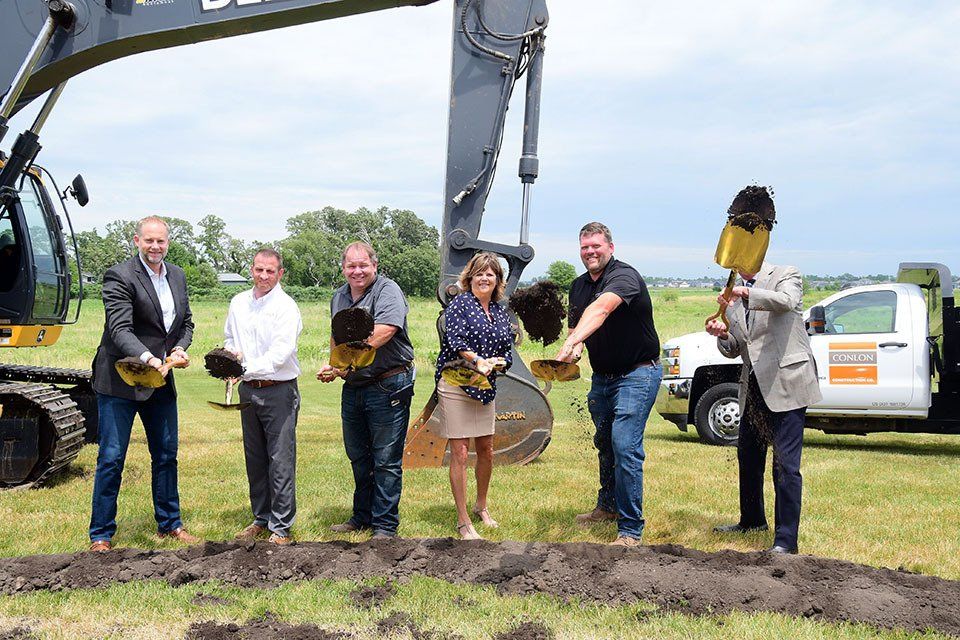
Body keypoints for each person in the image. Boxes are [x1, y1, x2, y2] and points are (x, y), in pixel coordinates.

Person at [88, 216, 196, 552]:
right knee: (111, 457)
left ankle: (170, 524)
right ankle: (101, 534)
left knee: (166, 454)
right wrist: (150, 359)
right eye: (149, 241)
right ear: (137, 241)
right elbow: (120, 330)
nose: (155, 247)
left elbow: (186, 322)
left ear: (168, 242)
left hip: (160, 381)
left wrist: (179, 347)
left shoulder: (177, 275)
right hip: (121, 379)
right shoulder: (120, 276)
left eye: (161, 241)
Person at [556, 222, 662, 547]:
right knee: (604, 441)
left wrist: (572, 339)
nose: (590, 252)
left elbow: (600, 310)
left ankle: (630, 530)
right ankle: (608, 506)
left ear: (610, 248)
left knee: (624, 445)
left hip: (637, 374)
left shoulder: (624, 277)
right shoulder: (577, 287)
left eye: (596, 246)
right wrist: (572, 350)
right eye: (585, 247)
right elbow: (579, 329)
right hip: (602, 378)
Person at [705, 261, 821, 554]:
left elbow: (787, 302)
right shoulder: (731, 295)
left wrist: (745, 294)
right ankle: (752, 520)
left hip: (788, 380)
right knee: (748, 455)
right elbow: (735, 347)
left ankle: (785, 541)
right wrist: (721, 334)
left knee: (785, 464)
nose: (736, 264)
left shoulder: (785, 274)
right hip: (754, 384)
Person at [317, 241, 415, 539]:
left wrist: (348, 361)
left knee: (385, 459)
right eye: (351, 266)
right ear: (343, 268)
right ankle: (361, 517)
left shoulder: (387, 291)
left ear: (375, 265)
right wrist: (335, 366)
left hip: (388, 383)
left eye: (363, 265)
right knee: (358, 455)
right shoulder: (339, 296)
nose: (357, 271)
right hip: (356, 385)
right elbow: (338, 336)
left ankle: (385, 526)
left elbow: (385, 330)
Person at [224, 247, 302, 546]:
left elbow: (280, 356)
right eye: (259, 269)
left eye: (270, 271)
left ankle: (281, 526)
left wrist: (242, 367)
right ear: (251, 269)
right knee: (255, 458)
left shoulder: (286, 307)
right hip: (248, 390)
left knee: (280, 458)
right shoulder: (239, 302)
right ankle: (261, 517)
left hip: (278, 389)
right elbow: (231, 337)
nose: (264, 276)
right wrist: (231, 356)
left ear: (280, 273)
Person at [434, 252, 513, 540]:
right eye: (479, 273)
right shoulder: (460, 305)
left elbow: (506, 347)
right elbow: (456, 342)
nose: (484, 278)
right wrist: (478, 359)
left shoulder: (499, 310)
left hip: (484, 386)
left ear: (497, 280)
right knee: (460, 452)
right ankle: (463, 520)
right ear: (470, 277)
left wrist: (501, 362)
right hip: (457, 381)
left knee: (487, 450)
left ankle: (481, 506)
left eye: (490, 274)